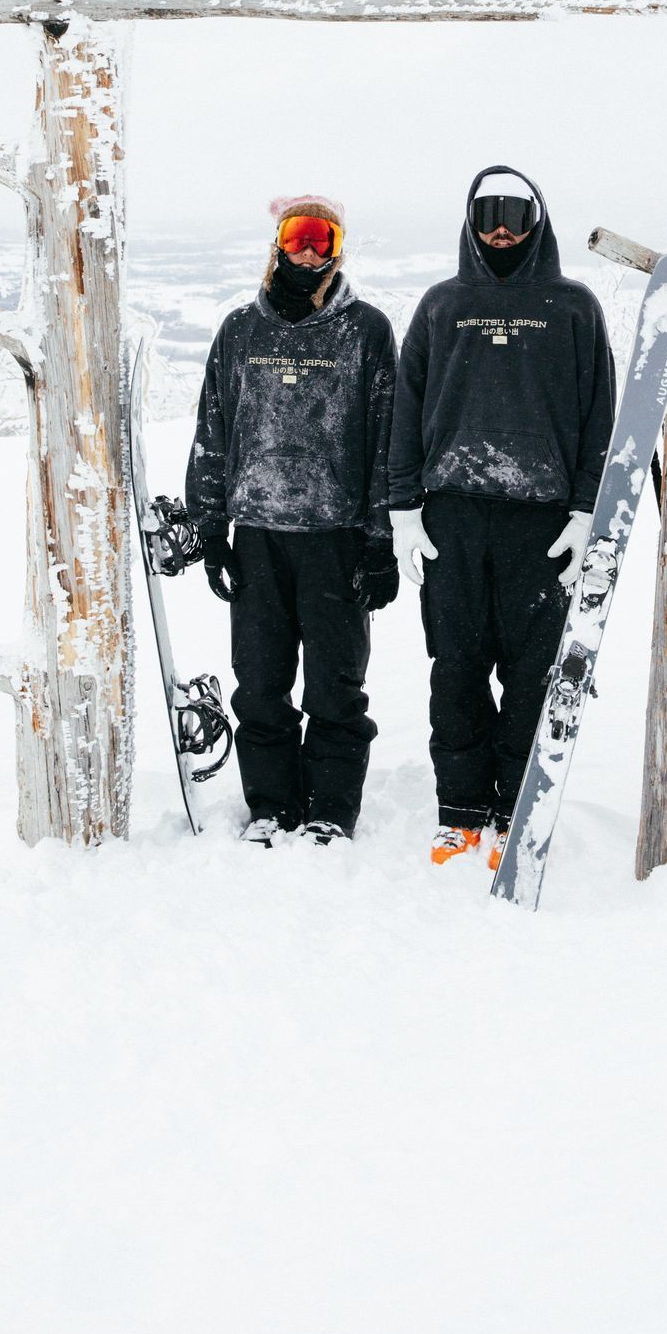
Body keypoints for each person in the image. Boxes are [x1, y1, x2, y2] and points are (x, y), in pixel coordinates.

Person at [146, 194, 398, 846]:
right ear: (278, 243)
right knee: (259, 685)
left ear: (337, 247)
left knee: (335, 689)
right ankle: (271, 808)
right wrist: (210, 531)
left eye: (322, 237)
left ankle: (330, 811)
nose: (308, 250)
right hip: (256, 539)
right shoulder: (240, 331)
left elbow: (386, 442)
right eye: (297, 235)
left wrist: (380, 542)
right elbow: (213, 433)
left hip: (336, 539)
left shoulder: (366, 331)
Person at [389, 166, 616, 870]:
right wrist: (403, 508)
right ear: (470, 221)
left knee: (532, 673)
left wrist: (586, 509)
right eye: (488, 215)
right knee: (455, 668)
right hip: (452, 517)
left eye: (515, 216)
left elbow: (600, 416)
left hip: (541, 524)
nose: (500, 231)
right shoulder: (441, 305)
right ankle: (460, 813)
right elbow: (406, 408)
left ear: (536, 223)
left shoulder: (573, 307)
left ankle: (516, 809)